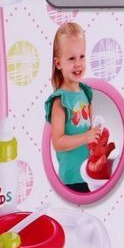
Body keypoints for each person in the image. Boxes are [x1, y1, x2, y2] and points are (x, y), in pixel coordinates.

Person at [46, 22, 95, 193]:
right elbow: (58, 142)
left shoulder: (86, 93)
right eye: (71, 58)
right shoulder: (60, 100)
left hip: (91, 174)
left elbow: (90, 130)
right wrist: (86, 137)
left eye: (81, 56)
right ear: (58, 63)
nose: (78, 63)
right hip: (72, 179)